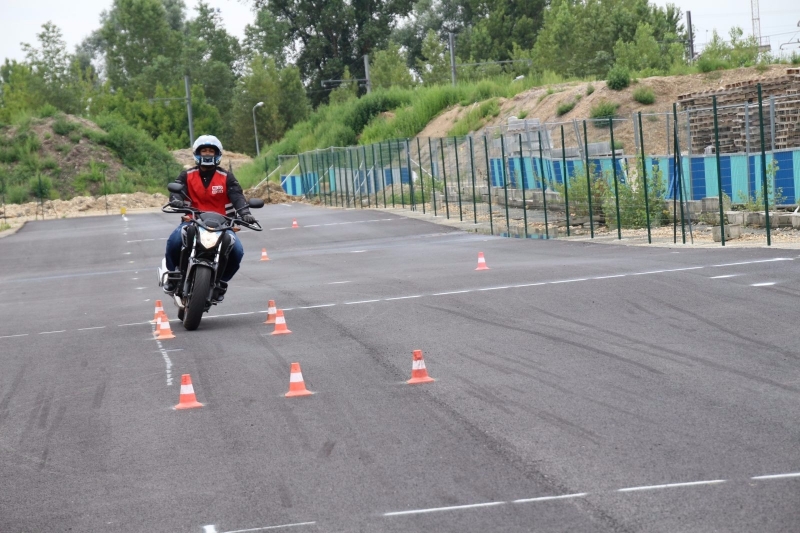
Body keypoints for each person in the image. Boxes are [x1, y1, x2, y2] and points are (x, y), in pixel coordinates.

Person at [163, 135, 256, 301]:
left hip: (223, 226)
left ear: (217, 154)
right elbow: (177, 190)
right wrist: (176, 200)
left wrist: (245, 214)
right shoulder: (187, 175)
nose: (207, 154)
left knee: (237, 252)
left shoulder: (227, 177)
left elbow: (237, 197)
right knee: (174, 241)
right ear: (197, 154)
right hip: (193, 221)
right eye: (204, 150)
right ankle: (172, 275)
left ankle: (220, 282)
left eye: (211, 151)